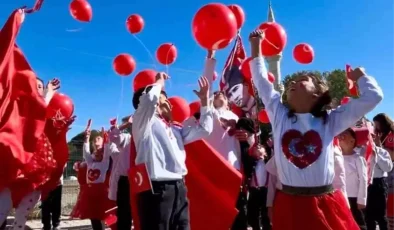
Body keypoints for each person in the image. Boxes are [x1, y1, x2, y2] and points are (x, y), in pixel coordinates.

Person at [248, 29, 383, 230]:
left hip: (324, 203)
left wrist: (361, 77)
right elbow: (261, 80)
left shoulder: (331, 121)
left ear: (317, 94)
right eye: (293, 81)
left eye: (302, 80)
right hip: (288, 203)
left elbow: (373, 97)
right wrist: (255, 46)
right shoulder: (279, 115)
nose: (293, 82)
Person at [130, 72, 213, 230]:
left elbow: (205, 129)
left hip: (179, 188)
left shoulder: (175, 128)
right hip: (156, 190)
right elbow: (148, 102)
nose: (167, 99)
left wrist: (204, 102)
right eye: (163, 95)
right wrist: (158, 83)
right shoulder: (142, 123)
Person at [70, 128, 115, 230]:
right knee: (93, 216)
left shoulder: (105, 162)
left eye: (99, 139)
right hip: (90, 193)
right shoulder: (90, 161)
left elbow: (107, 152)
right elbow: (86, 153)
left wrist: (106, 140)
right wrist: (86, 138)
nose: (96, 140)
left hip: (102, 192)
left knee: (104, 215)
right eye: (95, 140)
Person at [339, 128, 368, 229]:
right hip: (341, 196)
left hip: (354, 197)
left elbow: (364, 180)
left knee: (358, 222)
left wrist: (362, 200)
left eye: (345, 134)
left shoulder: (358, 158)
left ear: (352, 141)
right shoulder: (336, 157)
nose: (341, 136)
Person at [373, 113, 394, 229]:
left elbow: (391, 155)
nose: (376, 127)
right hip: (383, 173)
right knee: (388, 204)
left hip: (391, 170)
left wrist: (380, 148)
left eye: (377, 124)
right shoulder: (379, 135)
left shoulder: (391, 135)